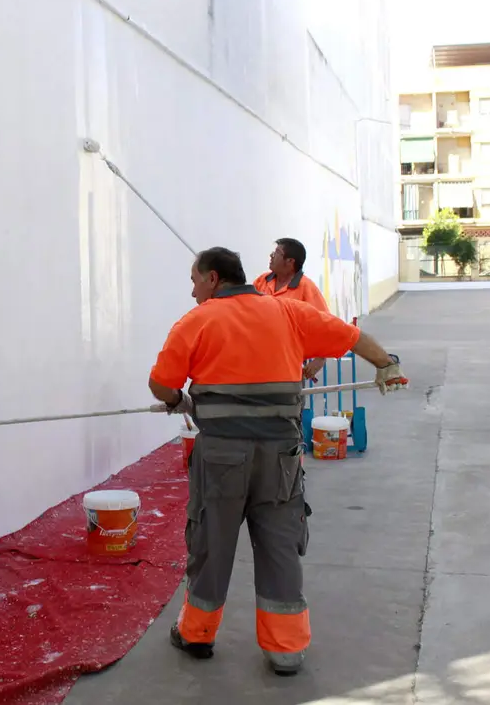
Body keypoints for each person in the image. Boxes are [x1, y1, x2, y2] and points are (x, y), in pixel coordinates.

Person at [148, 247, 408, 676]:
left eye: (195, 281)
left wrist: (181, 401)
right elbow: (349, 336)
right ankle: (286, 648)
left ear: (213, 279)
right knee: (279, 546)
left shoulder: (197, 320)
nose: (192, 290)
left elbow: (160, 384)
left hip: (221, 459)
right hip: (281, 458)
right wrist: (387, 364)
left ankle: (196, 635)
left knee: (211, 544)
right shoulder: (288, 312)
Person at [254, 238, 333, 381]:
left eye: (277, 253)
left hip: (289, 365)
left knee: (287, 402)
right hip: (257, 360)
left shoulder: (306, 288)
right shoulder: (261, 281)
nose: (271, 255)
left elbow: (325, 325)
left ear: (290, 262)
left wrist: (320, 359)